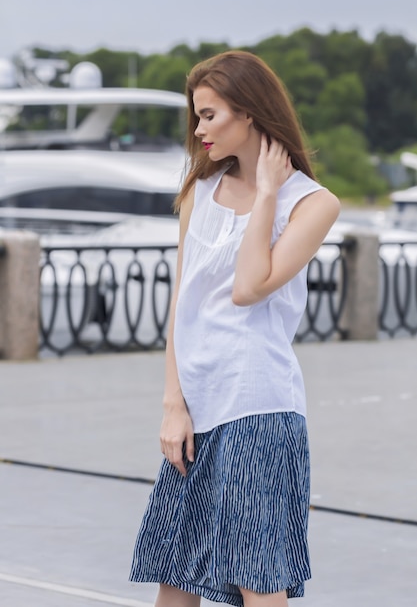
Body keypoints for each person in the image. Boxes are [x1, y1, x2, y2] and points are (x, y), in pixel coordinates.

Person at [129, 50, 340, 607]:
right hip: (198, 406)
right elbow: (184, 303)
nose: (198, 130)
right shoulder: (200, 191)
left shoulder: (312, 204)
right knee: (174, 576)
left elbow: (250, 287)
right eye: (195, 116)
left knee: (258, 584)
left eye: (210, 115)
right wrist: (174, 404)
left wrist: (267, 193)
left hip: (257, 408)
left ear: (249, 114)